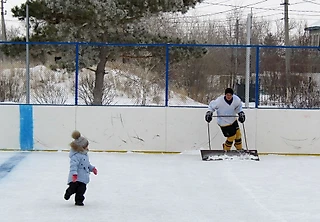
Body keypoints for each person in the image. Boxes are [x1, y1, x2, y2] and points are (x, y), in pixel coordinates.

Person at [64, 130, 98, 206]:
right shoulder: (75, 156)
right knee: (73, 188)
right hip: (75, 177)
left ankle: (79, 201)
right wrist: (74, 174)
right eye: (86, 146)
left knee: (82, 190)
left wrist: (92, 168)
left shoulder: (85, 154)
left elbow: (87, 164)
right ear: (81, 147)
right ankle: (69, 192)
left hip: (83, 177)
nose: (87, 147)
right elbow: (73, 166)